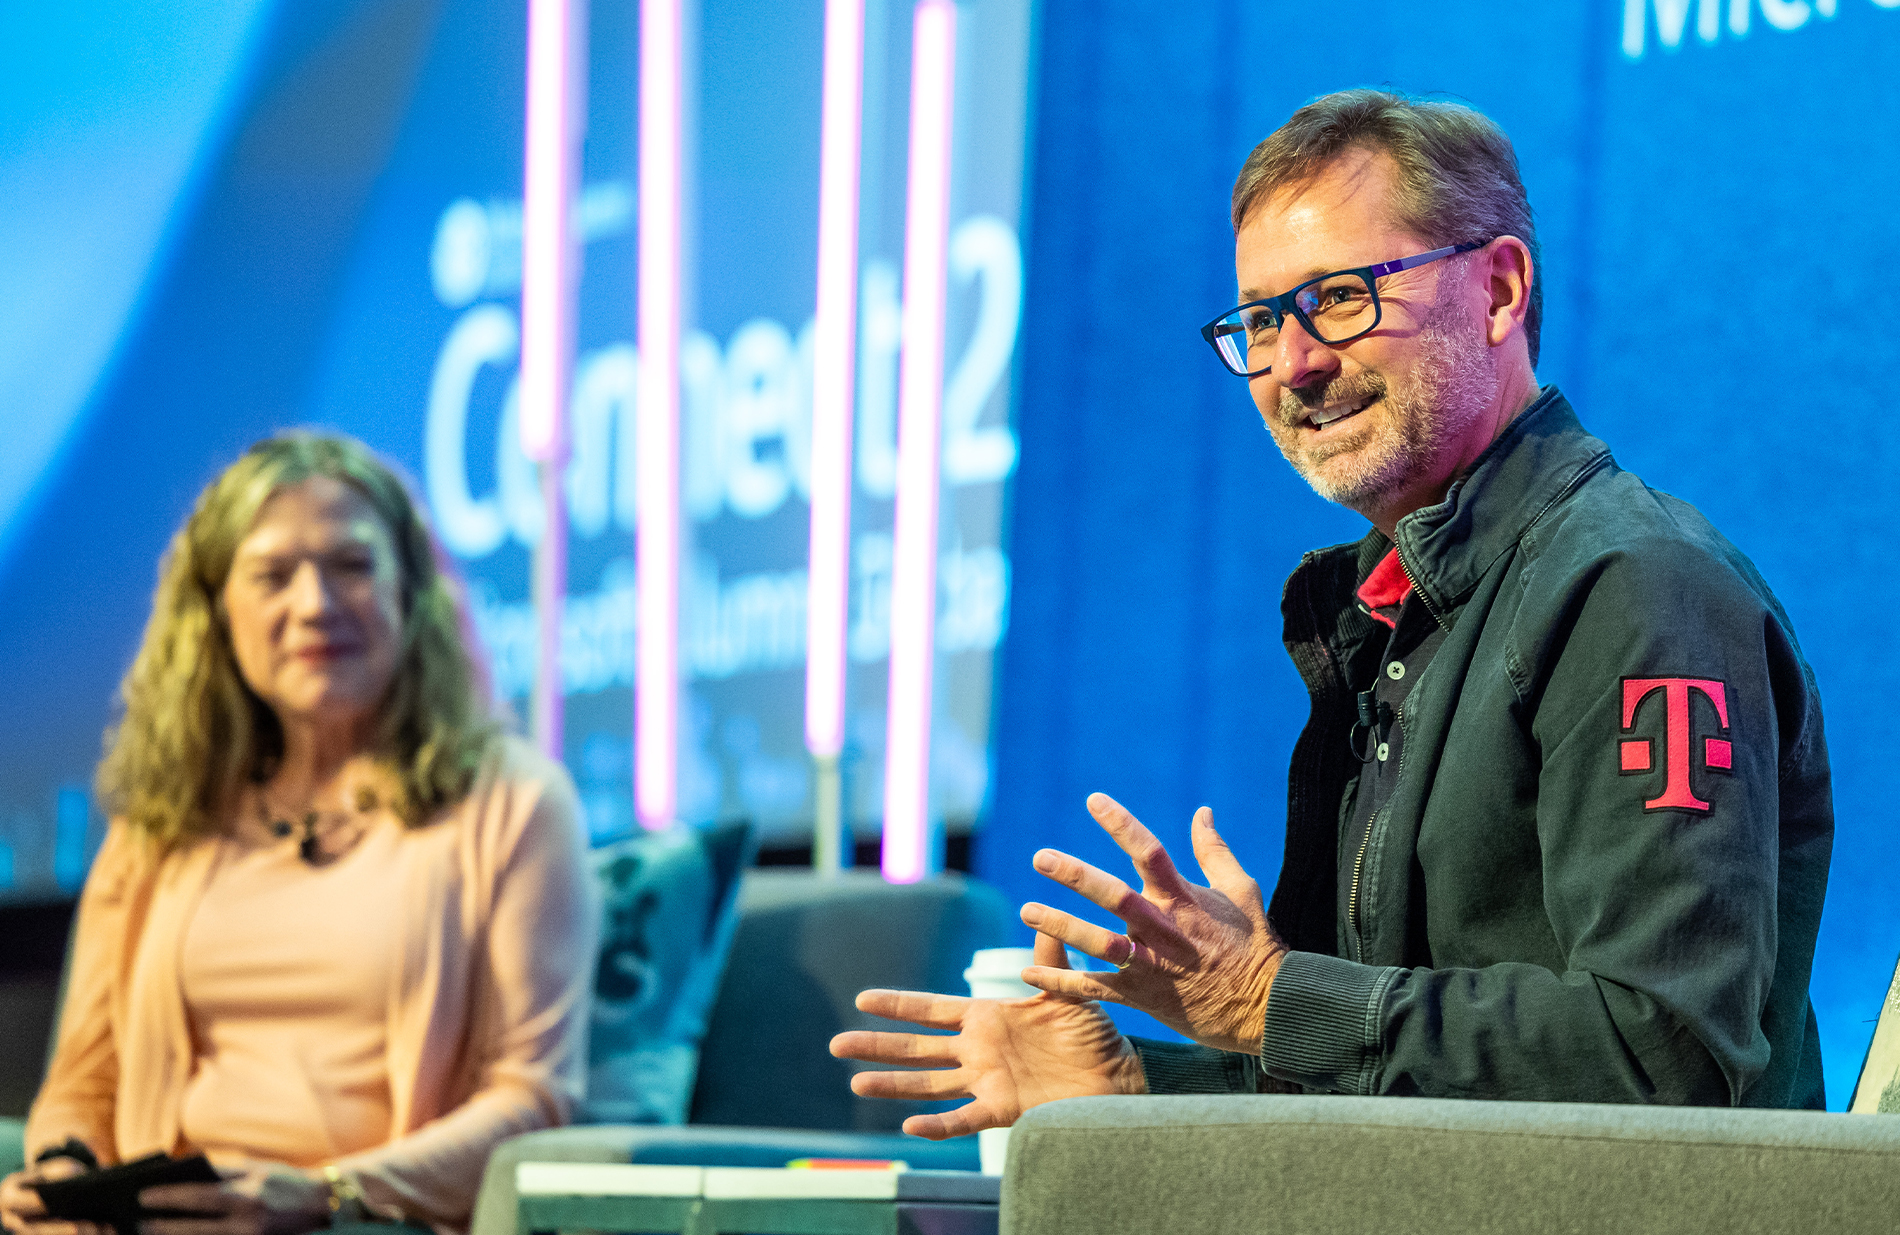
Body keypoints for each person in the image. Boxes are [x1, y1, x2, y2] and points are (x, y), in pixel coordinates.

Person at [832, 88, 1832, 1134]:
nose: (1295, 361)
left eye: (1341, 297)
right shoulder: (1391, 611)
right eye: (1261, 319)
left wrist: (1272, 999)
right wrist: (1133, 1093)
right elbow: (1414, 1097)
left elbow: (1661, 1053)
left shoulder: (1636, 587)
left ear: (1496, 290)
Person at [0, 433, 596, 1235]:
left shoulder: (513, 800)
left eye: (351, 566)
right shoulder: (162, 818)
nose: (315, 603)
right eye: (273, 575)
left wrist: (329, 1191)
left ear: (410, 593)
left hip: (364, 1222)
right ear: (215, 612)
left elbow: (537, 1098)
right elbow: (83, 1078)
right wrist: (65, 1170)